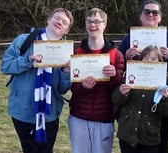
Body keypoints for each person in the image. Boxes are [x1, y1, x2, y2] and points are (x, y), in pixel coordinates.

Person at [0, 8, 73, 153]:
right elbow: (5, 66)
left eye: (64, 22)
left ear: (66, 31)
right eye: (57, 18)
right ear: (48, 20)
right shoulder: (24, 40)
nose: (59, 22)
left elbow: (63, 89)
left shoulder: (66, 52)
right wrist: (28, 60)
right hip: (23, 111)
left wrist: (66, 72)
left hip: (49, 114)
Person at [117, 1, 168, 153]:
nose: (150, 15)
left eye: (155, 13)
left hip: (163, 100)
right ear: (140, 16)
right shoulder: (130, 38)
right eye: (147, 12)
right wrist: (125, 55)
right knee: (135, 141)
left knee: (162, 142)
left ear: (160, 17)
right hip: (135, 100)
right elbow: (117, 64)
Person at [68, 8, 124, 153]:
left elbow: (119, 90)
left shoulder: (116, 54)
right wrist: (83, 86)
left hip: (104, 118)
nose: (92, 25)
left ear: (104, 24)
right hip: (79, 116)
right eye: (89, 21)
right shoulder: (77, 53)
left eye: (96, 21)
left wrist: (113, 76)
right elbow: (73, 87)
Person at [112, 45, 168, 153]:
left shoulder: (165, 80)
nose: (149, 61)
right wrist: (122, 93)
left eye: (153, 59)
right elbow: (116, 100)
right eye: (146, 57)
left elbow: (166, 112)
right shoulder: (130, 76)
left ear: (160, 61)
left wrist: (165, 99)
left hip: (149, 136)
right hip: (127, 133)